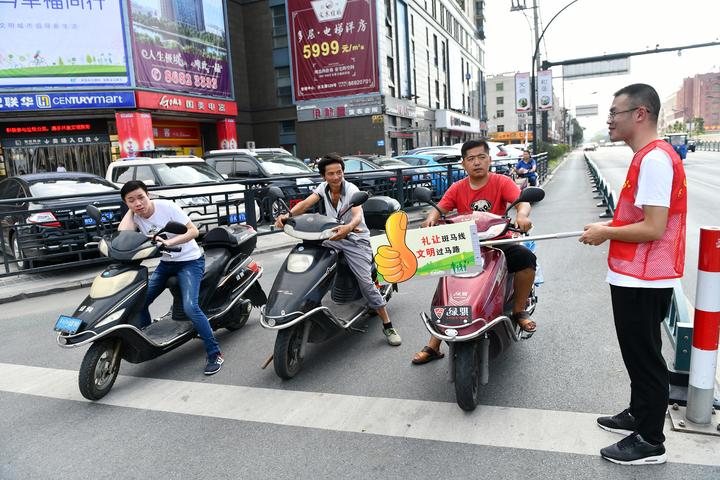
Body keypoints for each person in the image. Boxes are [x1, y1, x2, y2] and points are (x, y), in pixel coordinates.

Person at [579, 83, 686, 465]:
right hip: (636, 275)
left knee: (644, 358)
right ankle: (639, 415)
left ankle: (650, 442)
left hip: (644, 278)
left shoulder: (655, 159)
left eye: (614, 113)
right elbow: (639, 218)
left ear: (639, 114)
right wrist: (609, 225)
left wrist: (606, 232)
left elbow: (654, 228)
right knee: (639, 354)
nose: (609, 120)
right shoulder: (647, 156)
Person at [412, 139, 537, 364]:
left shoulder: (501, 181)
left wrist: (522, 215)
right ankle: (434, 344)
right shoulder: (458, 187)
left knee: (527, 259)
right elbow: (440, 208)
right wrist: (431, 219)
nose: (477, 163)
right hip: (465, 247)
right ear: (463, 163)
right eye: (471, 159)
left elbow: (521, 203)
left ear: (489, 159)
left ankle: (518, 311)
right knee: (445, 284)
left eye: (481, 157)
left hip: (499, 243)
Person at [274, 153, 402, 346]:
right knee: (310, 263)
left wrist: (349, 228)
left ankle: (387, 324)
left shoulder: (351, 189)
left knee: (365, 282)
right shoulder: (322, 188)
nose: (336, 177)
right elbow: (306, 203)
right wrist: (287, 215)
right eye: (331, 173)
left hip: (355, 239)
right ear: (323, 176)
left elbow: (357, 215)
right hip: (332, 237)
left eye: (339, 172)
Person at [118, 180, 225, 375]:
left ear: (148, 194)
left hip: (190, 261)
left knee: (190, 307)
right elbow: (123, 234)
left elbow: (193, 231)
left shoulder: (166, 207)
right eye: (131, 200)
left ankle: (214, 353)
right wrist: (132, 209)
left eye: (141, 197)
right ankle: (148, 341)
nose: (138, 203)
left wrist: (169, 242)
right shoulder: (136, 215)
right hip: (167, 264)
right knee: (139, 301)